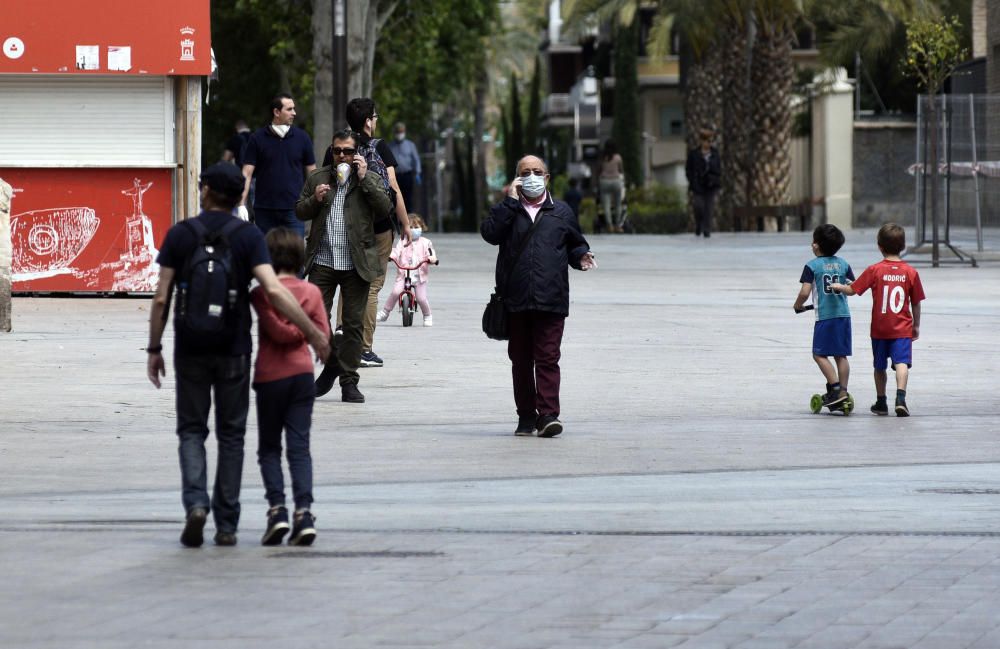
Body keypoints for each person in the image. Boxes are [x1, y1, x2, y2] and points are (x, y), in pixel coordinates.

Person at [146, 163, 330, 548]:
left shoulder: (180, 235)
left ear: (207, 191)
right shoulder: (248, 236)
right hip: (234, 349)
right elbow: (276, 291)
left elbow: (162, 296)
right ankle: (227, 524)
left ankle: (196, 505)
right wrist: (313, 334)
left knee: (192, 431)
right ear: (239, 197)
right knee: (231, 435)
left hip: (190, 347)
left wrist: (155, 348)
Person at [481, 155, 596, 438]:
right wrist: (509, 201)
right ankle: (526, 416)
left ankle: (548, 415)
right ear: (516, 178)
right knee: (521, 361)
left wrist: (581, 256)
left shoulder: (562, 211)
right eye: (525, 172)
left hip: (551, 298)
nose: (531, 176)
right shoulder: (507, 210)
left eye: (537, 171)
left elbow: (575, 243)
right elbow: (490, 234)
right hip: (515, 300)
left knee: (547, 357)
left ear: (547, 177)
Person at [296, 129, 392, 404]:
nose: (342, 156)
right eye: (337, 151)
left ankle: (348, 382)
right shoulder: (318, 177)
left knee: (352, 327)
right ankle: (334, 363)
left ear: (357, 153)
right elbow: (299, 210)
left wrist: (364, 180)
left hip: (356, 263)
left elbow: (384, 209)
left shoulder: (369, 178)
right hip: (323, 261)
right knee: (314, 320)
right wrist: (314, 199)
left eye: (348, 151)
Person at [250, 227, 328, 546]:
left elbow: (277, 333)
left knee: (269, 447)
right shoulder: (312, 293)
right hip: (302, 375)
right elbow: (323, 334)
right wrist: (308, 333)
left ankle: (277, 511)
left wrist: (294, 329)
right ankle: (305, 513)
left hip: (270, 376)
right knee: (299, 447)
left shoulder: (260, 294)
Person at [324, 98, 412, 368]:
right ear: (367, 121)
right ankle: (363, 348)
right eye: (375, 116)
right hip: (379, 226)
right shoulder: (379, 146)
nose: (376, 120)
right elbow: (393, 185)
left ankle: (341, 334)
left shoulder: (337, 148)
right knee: (372, 286)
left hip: (347, 226)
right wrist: (406, 224)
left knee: (347, 280)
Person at [832, 223, 925, 417]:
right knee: (901, 363)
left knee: (879, 366)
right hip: (902, 329)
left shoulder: (875, 270)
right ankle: (900, 398)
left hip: (880, 329)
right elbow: (915, 302)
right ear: (904, 246)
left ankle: (881, 402)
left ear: (879, 246)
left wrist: (839, 286)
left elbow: (852, 290)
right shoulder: (911, 272)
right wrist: (916, 325)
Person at [793, 224, 855, 409]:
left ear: (816, 245)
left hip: (825, 318)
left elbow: (805, 292)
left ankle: (835, 388)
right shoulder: (843, 264)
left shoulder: (812, 266)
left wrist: (798, 305)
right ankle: (843, 391)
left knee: (819, 354)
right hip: (843, 316)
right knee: (841, 355)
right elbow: (853, 288)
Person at [240, 94, 316, 236]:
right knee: (267, 255)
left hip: (294, 210)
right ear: (276, 112)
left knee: (295, 255)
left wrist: (313, 201)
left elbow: (312, 172)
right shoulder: (257, 138)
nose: (294, 113)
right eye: (289, 109)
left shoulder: (302, 138)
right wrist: (240, 204)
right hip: (264, 210)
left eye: (294, 109)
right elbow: (246, 173)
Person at [377, 214, 438, 326]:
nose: (413, 230)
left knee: (421, 298)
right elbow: (396, 251)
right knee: (395, 292)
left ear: (422, 227)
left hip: (419, 276)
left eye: (416, 227)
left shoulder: (426, 242)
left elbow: (431, 252)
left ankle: (427, 315)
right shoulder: (402, 241)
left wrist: (432, 259)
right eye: (410, 227)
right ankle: (385, 312)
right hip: (403, 274)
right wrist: (390, 256)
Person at [685, 126, 721, 238]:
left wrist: (714, 178)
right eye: (706, 141)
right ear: (701, 141)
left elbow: (719, 169)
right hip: (698, 185)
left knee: (709, 207)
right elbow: (688, 169)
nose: (708, 143)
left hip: (711, 185)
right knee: (698, 206)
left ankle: (707, 229)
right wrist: (692, 180)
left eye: (710, 141)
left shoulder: (715, 154)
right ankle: (698, 224)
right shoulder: (694, 154)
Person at [388, 122, 422, 211]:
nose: (400, 134)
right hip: (395, 177)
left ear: (404, 132)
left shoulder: (410, 145)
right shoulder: (390, 146)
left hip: (407, 176)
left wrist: (417, 172)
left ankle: (409, 218)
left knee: (408, 199)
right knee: (396, 199)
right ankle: (398, 220)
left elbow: (416, 159)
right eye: (398, 132)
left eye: (401, 132)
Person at [598, 140, 625, 233]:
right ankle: (618, 225)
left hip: (604, 181)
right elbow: (621, 170)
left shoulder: (602, 157)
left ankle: (609, 225)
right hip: (616, 181)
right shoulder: (618, 157)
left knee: (606, 206)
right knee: (618, 205)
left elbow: (599, 169)